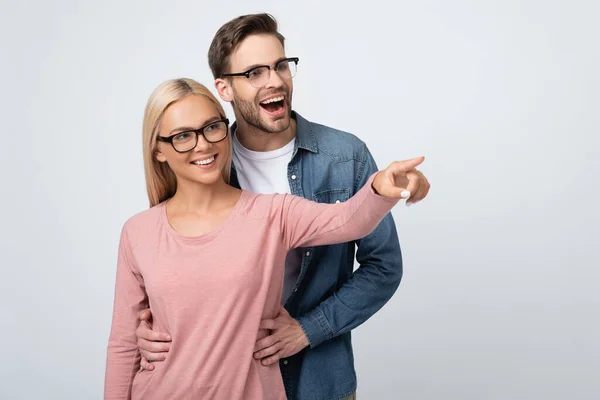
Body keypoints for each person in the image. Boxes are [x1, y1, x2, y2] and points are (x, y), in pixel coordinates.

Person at [134, 13, 431, 400]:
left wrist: (309, 329)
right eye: (254, 72)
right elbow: (173, 265)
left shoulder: (345, 157)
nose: (274, 80)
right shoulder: (204, 163)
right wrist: (152, 324)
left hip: (321, 381)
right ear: (224, 88)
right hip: (232, 384)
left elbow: (384, 266)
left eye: (280, 65)